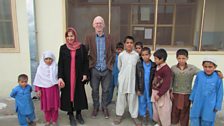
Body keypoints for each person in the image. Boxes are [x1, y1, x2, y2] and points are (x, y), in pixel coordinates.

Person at [84, 16, 116, 119]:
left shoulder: (110, 37)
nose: (98, 25)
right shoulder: (89, 37)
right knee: (95, 90)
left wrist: (110, 64)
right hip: (94, 69)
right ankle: (96, 107)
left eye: (100, 23)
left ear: (104, 25)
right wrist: (89, 64)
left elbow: (114, 52)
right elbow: (85, 52)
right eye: (96, 23)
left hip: (106, 69)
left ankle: (104, 107)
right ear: (93, 25)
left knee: (106, 90)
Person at [58, 27, 89, 126]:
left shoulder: (81, 47)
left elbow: (85, 62)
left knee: (79, 94)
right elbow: (60, 64)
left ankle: (79, 114)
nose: (70, 38)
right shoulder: (63, 48)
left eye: (72, 36)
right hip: (67, 76)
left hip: (78, 75)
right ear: (66, 37)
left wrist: (85, 74)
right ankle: (71, 114)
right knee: (68, 95)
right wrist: (60, 77)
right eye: (68, 36)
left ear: (75, 36)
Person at [114, 36, 141, 126]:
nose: (129, 44)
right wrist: (122, 77)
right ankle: (119, 115)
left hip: (133, 80)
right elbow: (119, 67)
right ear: (124, 44)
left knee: (133, 98)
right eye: (127, 43)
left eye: (131, 43)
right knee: (121, 97)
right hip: (123, 79)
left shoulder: (136, 55)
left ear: (133, 44)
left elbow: (137, 69)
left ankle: (134, 116)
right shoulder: (121, 55)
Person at [189, 57, 223, 126]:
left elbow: (220, 92)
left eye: (210, 67)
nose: (207, 69)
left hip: (210, 104)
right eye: (205, 67)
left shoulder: (218, 77)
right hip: (197, 102)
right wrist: (192, 98)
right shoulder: (200, 75)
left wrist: (217, 105)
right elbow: (195, 86)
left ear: (215, 67)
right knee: (195, 119)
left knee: (207, 120)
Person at [33, 51, 60, 126]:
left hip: (54, 90)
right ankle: (48, 120)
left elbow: (59, 77)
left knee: (54, 106)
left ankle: (54, 120)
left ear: (53, 59)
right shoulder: (40, 68)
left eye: (50, 59)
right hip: (44, 91)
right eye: (46, 59)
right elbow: (38, 80)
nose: (48, 60)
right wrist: (38, 90)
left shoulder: (55, 67)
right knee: (46, 106)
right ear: (43, 60)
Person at [151, 48, 172, 126]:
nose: (154, 60)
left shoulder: (166, 69)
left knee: (163, 111)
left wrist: (159, 94)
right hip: (155, 92)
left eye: (156, 59)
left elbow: (166, 84)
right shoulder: (157, 66)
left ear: (162, 59)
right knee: (157, 110)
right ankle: (159, 123)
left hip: (161, 94)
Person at [136, 47, 156, 125]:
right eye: (143, 55)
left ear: (150, 55)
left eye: (146, 54)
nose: (145, 57)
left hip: (150, 88)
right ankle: (143, 116)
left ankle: (152, 117)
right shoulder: (139, 65)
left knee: (150, 102)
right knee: (142, 101)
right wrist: (137, 89)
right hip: (142, 87)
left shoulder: (154, 65)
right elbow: (136, 77)